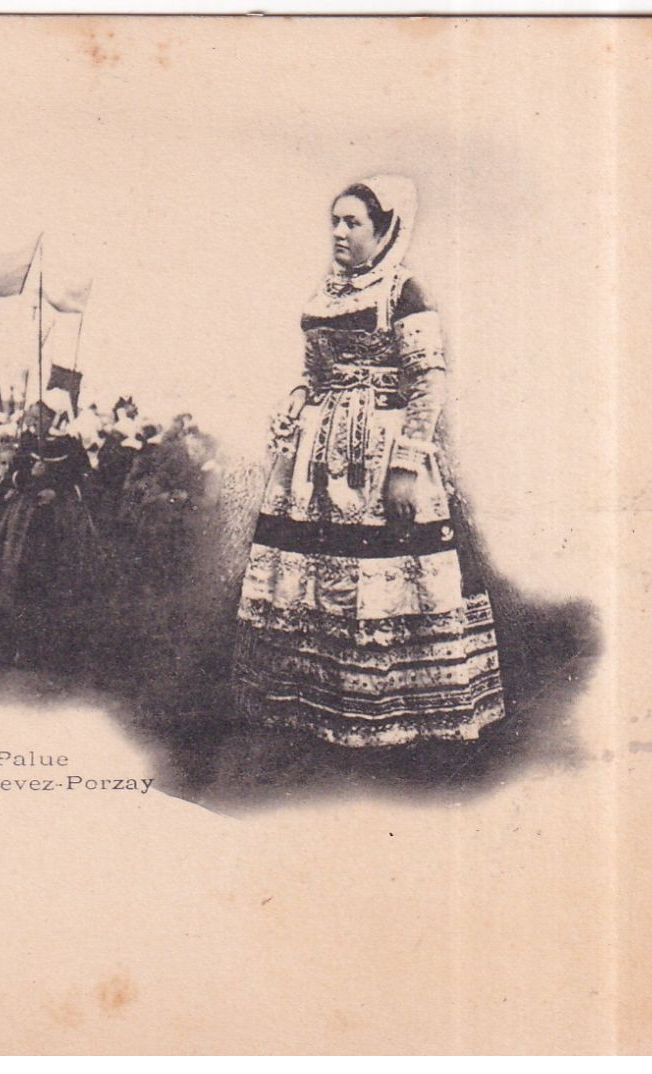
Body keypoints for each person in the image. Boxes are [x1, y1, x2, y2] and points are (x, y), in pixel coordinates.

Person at [233, 175, 505, 748]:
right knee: (312, 578)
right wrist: (297, 405)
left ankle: (394, 717)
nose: (338, 231)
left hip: (381, 454)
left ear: (384, 230)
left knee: (383, 580)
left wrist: (405, 467)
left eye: (352, 222)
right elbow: (313, 375)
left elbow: (428, 384)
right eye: (334, 220)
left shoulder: (404, 291)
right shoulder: (325, 291)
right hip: (316, 458)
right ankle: (318, 710)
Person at [0, 389, 101, 664]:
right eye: (34, 416)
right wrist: (27, 476)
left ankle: (49, 647)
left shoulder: (71, 445)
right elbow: (13, 475)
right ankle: (13, 644)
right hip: (23, 519)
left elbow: (84, 479)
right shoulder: (26, 442)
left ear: (55, 417)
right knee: (16, 576)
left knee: (53, 578)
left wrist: (57, 492)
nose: (35, 422)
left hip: (60, 518)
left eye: (42, 417)